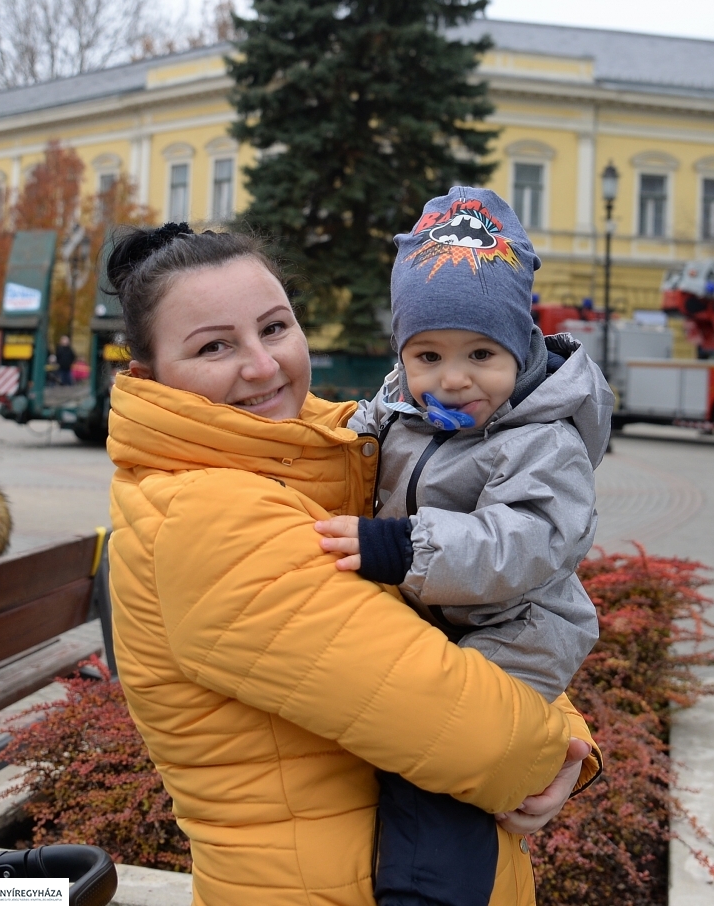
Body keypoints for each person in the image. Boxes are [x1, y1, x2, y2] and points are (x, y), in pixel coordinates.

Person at [105, 223, 601, 906]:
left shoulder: (334, 448)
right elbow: (477, 739)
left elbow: (483, 621)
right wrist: (561, 752)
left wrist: (567, 739)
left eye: (274, 328)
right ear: (148, 376)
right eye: (214, 345)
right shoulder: (210, 519)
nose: (261, 365)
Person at [315, 187, 614, 906]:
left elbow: (527, 542)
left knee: (438, 760)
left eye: (481, 353)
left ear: (522, 346)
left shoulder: (544, 440)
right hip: (444, 619)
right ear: (403, 354)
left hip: (518, 629)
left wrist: (401, 548)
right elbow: (348, 443)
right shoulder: (405, 413)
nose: (453, 378)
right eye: (428, 355)